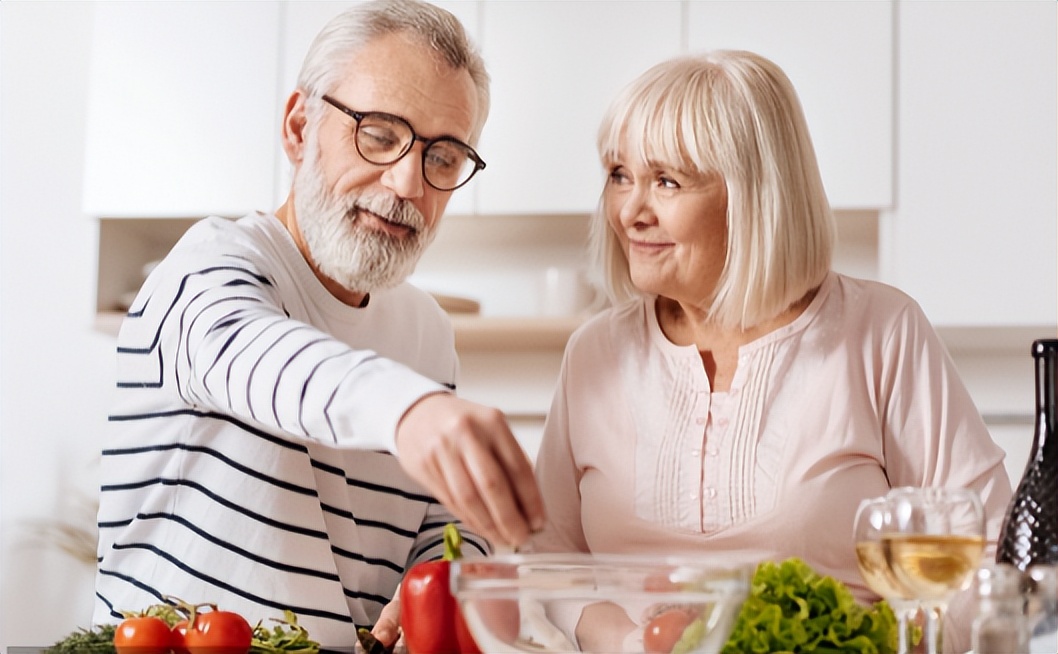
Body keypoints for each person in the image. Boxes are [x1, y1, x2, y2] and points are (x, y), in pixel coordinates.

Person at [527, 50, 1012, 654]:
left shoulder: (881, 332)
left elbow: (989, 546)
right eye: (620, 175)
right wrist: (628, 640)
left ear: (755, 196)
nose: (630, 211)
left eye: (667, 182)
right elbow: (547, 556)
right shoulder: (594, 352)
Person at [92, 0, 544, 646]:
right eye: (380, 134)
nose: (406, 181)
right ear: (300, 128)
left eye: (442, 157)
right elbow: (253, 357)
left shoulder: (427, 334)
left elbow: (438, 529)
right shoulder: (208, 266)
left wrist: (451, 564)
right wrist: (408, 411)